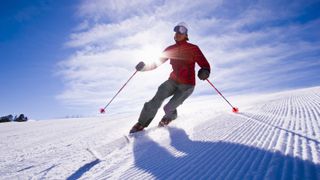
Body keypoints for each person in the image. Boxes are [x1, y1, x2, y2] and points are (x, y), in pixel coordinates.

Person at [130, 22, 211, 134]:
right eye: (176, 30)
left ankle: (170, 116)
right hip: (172, 81)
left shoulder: (193, 48)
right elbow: (156, 63)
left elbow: (204, 64)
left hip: (187, 85)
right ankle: (141, 123)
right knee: (155, 100)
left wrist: (205, 71)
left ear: (186, 34)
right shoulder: (170, 49)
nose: (178, 33)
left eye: (181, 30)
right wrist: (143, 67)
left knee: (168, 108)